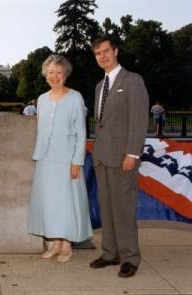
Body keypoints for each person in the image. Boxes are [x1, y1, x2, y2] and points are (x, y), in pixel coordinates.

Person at [89, 37, 149, 278]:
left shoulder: (132, 81)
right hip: (102, 158)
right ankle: (110, 252)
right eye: (97, 53)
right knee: (107, 208)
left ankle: (130, 257)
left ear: (116, 51)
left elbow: (138, 119)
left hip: (123, 158)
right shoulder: (98, 86)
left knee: (123, 209)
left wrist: (132, 153)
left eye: (106, 51)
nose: (102, 56)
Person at [28, 54, 92, 264]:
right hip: (46, 159)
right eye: (51, 72)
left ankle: (67, 244)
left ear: (65, 75)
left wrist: (77, 161)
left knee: (66, 202)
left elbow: (81, 132)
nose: (54, 76)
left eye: (59, 72)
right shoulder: (41, 99)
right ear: (46, 75)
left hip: (67, 159)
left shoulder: (75, 98)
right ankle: (55, 242)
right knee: (50, 202)